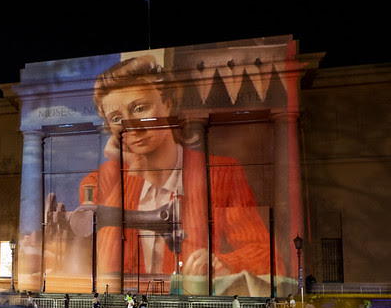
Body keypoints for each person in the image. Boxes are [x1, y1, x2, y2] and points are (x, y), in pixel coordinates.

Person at [79, 55, 278, 292]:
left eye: (140, 108)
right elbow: (106, 263)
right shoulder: (99, 181)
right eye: (117, 119)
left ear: (168, 105)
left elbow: (264, 252)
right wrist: (131, 168)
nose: (131, 127)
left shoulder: (220, 174)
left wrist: (224, 263)